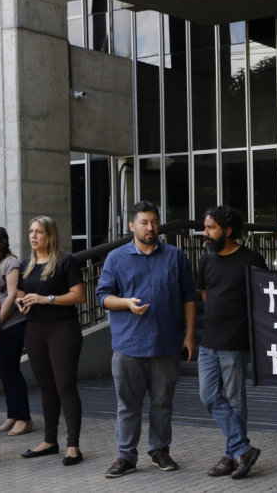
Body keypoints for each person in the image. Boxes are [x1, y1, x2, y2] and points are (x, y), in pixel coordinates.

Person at [96, 201, 196, 479]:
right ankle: (126, 456)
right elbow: (103, 296)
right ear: (132, 226)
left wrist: (189, 336)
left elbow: (188, 296)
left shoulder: (176, 256)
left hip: (167, 343)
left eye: (154, 222)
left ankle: (159, 451)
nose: (150, 227)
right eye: (143, 222)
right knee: (127, 406)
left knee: (162, 403)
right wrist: (126, 303)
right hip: (128, 344)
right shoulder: (116, 258)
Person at [196, 206, 267, 479]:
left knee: (235, 402)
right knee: (209, 396)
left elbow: (262, 300)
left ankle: (230, 457)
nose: (206, 233)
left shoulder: (251, 259)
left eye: (210, 228)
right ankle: (242, 450)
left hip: (235, 342)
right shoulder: (206, 259)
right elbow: (205, 294)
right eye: (205, 227)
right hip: (208, 342)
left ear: (227, 230)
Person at [16, 216, 86, 466]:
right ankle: (49, 441)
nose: (33, 236)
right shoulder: (27, 264)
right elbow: (22, 294)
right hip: (34, 330)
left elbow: (80, 296)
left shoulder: (65, 261)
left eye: (39, 232)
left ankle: (73, 445)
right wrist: (20, 302)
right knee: (46, 388)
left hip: (62, 329)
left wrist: (48, 299)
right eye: (31, 231)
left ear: (50, 236)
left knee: (65, 387)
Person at [0, 226, 32, 436]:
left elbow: (12, 296)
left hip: (11, 324)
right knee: (3, 370)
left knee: (10, 370)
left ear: (2, 242)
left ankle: (24, 418)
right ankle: (12, 415)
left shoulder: (10, 262)